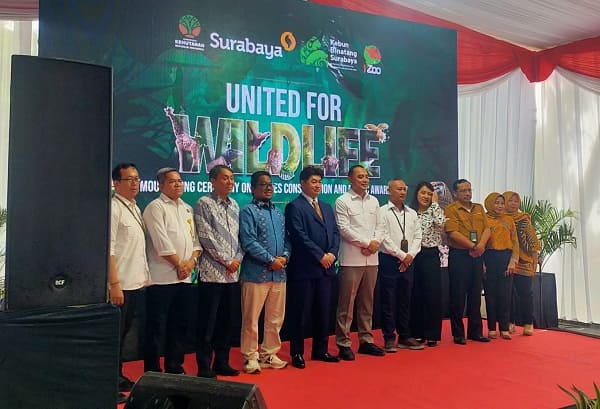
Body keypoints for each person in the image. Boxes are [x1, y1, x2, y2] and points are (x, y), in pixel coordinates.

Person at [142, 167, 202, 374]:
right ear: (161, 185)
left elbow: (195, 241)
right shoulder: (155, 207)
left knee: (180, 324)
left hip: (184, 278)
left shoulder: (187, 208)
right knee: (157, 327)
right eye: (172, 181)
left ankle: (174, 366)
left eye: (180, 181)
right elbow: (161, 243)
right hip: (161, 278)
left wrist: (191, 262)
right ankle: (152, 371)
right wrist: (179, 264)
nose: (178, 184)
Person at [285, 166, 341, 369]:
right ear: (302, 183)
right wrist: (320, 256)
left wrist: (332, 254)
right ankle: (297, 352)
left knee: (323, 312)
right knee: (300, 314)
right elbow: (299, 236)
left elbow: (335, 233)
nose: (318, 186)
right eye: (313, 182)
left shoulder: (326, 206)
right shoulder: (294, 206)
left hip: (326, 269)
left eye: (320, 182)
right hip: (304, 269)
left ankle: (320, 349)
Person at [239, 171, 291, 373]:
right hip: (255, 274)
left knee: (275, 318)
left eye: (270, 184)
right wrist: (271, 260)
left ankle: (269, 354)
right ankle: (250, 356)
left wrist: (285, 257)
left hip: (279, 274)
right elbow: (248, 241)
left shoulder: (278, 212)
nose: (268, 188)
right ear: (253, 188)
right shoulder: (248, 211)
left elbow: (287, 239)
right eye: (263, 184)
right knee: (251, 319)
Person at [193, 165, 243, 378]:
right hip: (212, 273)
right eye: (224, 178)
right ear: (213, 181)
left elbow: (239, 238)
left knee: (227, 322)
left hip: (232, 275)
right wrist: (227, 261)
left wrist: (237, 259)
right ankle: (204, 365)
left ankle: (222, 362)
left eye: (231, 178)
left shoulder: (235, 205)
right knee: (207, 323)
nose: (229, 182)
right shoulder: (204, 203)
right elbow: (206, 237)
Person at [334, 165, 386, 360]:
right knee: (346, 304)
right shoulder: (343, 201)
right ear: (350, 179)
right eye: (360, 177)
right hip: (351, 259)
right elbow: (344, 229)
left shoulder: (374, 201)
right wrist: (367, 244)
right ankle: (343, 343)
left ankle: (366, 340)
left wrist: (375, 244)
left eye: (366, 177)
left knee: (367, 302)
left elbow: (381, 227)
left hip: (372, 259)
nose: (365, 180)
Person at [109, 163, 150, 402]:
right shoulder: (114, 208)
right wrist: (114, 284)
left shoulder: (134, 206)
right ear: (116, 183)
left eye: (137, 179)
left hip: (135, 283)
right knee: (114, 337)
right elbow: (109, 249)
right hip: (120, 284)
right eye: (129, 179)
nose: (135, 183)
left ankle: (118, 376)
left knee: (124, 335)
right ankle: (109, 385)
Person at [444, 179, 491, 345]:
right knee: (457, 296)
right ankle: (458, 334)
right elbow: (452, 232)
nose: (468, 193)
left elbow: (487, 229)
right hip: (460, 255)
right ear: (455, 193)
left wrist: (481, 246)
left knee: (475, 295)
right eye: (463, 191)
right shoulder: (451, 209)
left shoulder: (479, 208)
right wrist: (473, 246)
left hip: (478, 255)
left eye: (469, 190)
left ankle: (475, 332)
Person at [379, 179, 423, 352]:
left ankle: (404, 335)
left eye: (404, 189)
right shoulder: (382, 211)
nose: (403, 192)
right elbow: (383, 237)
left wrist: (410, 256)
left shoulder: (412, 213)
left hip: (409, 260)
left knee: (405, 300)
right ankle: (389, 338)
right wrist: (402, 256)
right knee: (388, 300)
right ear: (389, 190)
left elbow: (418, 236)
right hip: (389, 260)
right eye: (399, 189)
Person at [410, 181, 446, 347]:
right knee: (416, 294)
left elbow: (441, 223)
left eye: (429, 193)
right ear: (416, 194)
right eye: (423, 193)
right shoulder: (410, 212)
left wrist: (435, 204)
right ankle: (416, 332)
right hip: (413, 255)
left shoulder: (435, 210)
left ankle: (432, 334)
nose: (426, 196)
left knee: (432, 295)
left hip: (430, 255)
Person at [503, 191, 540, 336]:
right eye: (510, 200)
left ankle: (528, 323)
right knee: (508, 295)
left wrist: (535, 261)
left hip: (524, 262)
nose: (513, 204)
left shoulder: (523, 219)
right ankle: (509, 322)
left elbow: (532, 240)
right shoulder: (500, 218)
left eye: (516, 201)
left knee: (525, 294)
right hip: (506, 262)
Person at [483, 193, 519, 340]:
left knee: (505, 295)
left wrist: (513, 261)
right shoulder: (484, 219)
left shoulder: (509, 220)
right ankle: (491, 328)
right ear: (490, 203)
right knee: (490, 294)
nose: (499, 206)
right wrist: (482, 263)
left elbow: (515, 242)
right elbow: (480, 242)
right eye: (496, 203)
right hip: (489, 257)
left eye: (502, 203)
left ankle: (504, 328)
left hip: (506, 258)